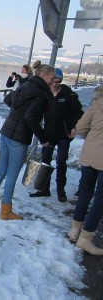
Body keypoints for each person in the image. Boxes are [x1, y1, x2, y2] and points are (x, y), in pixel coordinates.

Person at [0, 64, 54, 220]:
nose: (53, 80)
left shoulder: (25, 85)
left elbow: (8, 99)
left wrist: (17, 112)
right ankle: (6, 210)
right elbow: (30, 119)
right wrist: (44, 138)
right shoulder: (40, 94)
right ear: (43, 76)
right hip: (19, 138)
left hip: (6, 132)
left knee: (2, 170)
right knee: (12, 175)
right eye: (51, 77)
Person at [29, 68, 84, 202]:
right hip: (48, 133)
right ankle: (44, 189)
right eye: (53, 82)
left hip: (64, 134)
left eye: (58, 81)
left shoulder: (69, 95)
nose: (55, 84)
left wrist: (74, 127)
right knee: (45, 161)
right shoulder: (45, 95)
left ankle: (61, 191)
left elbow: (79, 113)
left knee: (61, 161)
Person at [67, 86, 103, 255]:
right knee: (100, 198)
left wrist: (92, 138)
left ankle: (75, 231)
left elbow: (80, 127)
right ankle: (86, 239)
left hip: (89, 154)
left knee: (85, 193)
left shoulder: (97, 103)